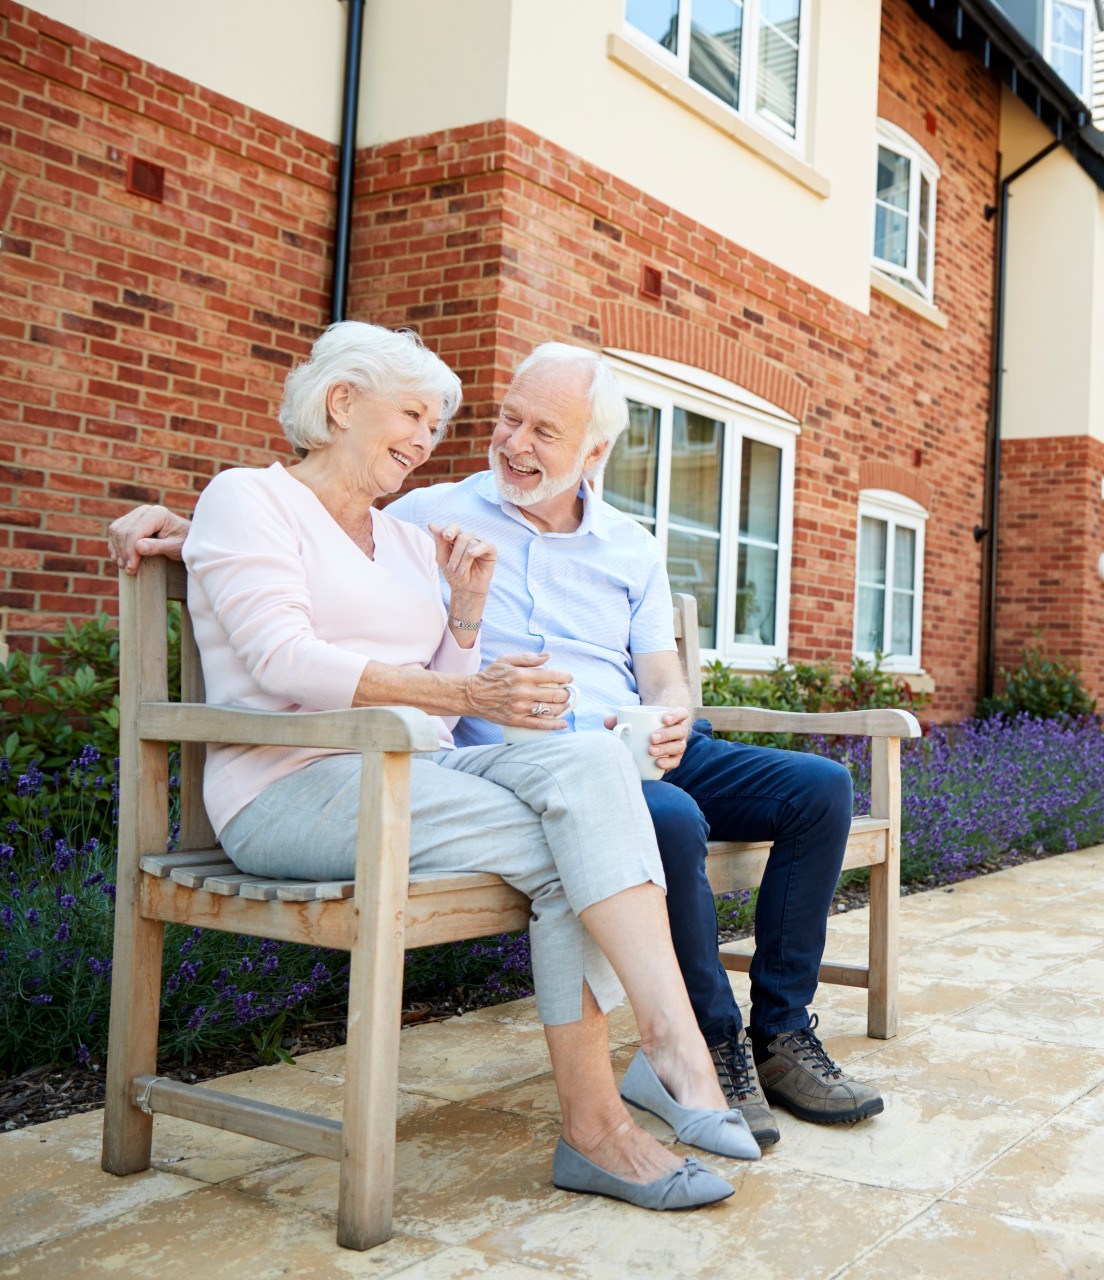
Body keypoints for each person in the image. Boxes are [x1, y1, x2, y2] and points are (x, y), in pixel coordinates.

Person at [111, 343, 884, 1146]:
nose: (513, 444)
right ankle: (701, 1048)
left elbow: (655, 671)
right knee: (658, 819)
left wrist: (669, 712)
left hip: (612, 744)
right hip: (472, 761)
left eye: (543, 432)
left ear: (593, 453)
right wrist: (193, 529)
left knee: (818, 788)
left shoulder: (606, 542)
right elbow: (303, 539)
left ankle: (776, 1036)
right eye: (506, 420)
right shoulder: (429, 510)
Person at [172, 321, 756, 1212]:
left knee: (592, 769)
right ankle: (640, 1092)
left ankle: (655, 1066)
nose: (427, 441)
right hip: (289, 788)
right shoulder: (248, 499)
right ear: (341, 404)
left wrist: (468, 617)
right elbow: (279, 659)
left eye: (438, 426)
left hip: (413, 779)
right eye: (412, 414)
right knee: (578, 842)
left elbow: (446, 689)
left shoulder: (409, 540)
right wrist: (466, 696)